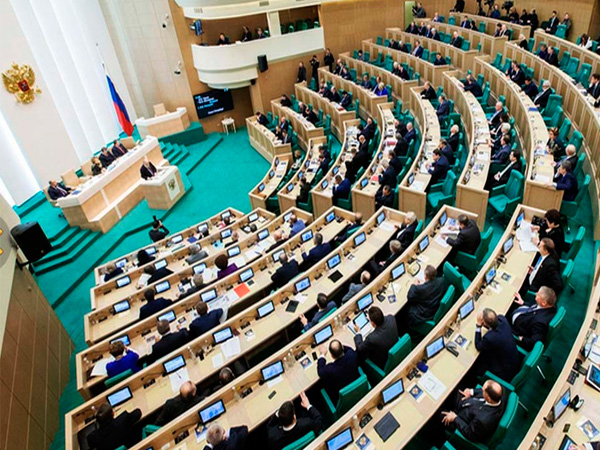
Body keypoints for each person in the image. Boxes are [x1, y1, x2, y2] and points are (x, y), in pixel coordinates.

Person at [437, 380, 505, 445]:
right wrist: (471, 392)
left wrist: (455, 418)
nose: (481, 388)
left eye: (483, 389)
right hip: (468, 403)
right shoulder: (500, 393)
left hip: (461, 420)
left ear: (488, 398)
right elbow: (483, 391)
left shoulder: (483, 421)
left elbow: (469, 433)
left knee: (437, 413)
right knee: (452, 387)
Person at [474, 308, 521, 381]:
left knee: (477, 365)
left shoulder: (490, 338)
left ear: (485, 323)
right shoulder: (503, 319)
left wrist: (479, 325)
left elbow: (478, 345)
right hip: (514, 360)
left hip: (504, 370)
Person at [510, 286, 558, 351]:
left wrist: (523, 339)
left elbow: (533, 342)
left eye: (538, 294)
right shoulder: (551, 306)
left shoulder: (540, 323)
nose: (535, 293)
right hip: (523, 313)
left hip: (514, 327)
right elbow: (534, 308)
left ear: (544, 303)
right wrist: (523, 303)